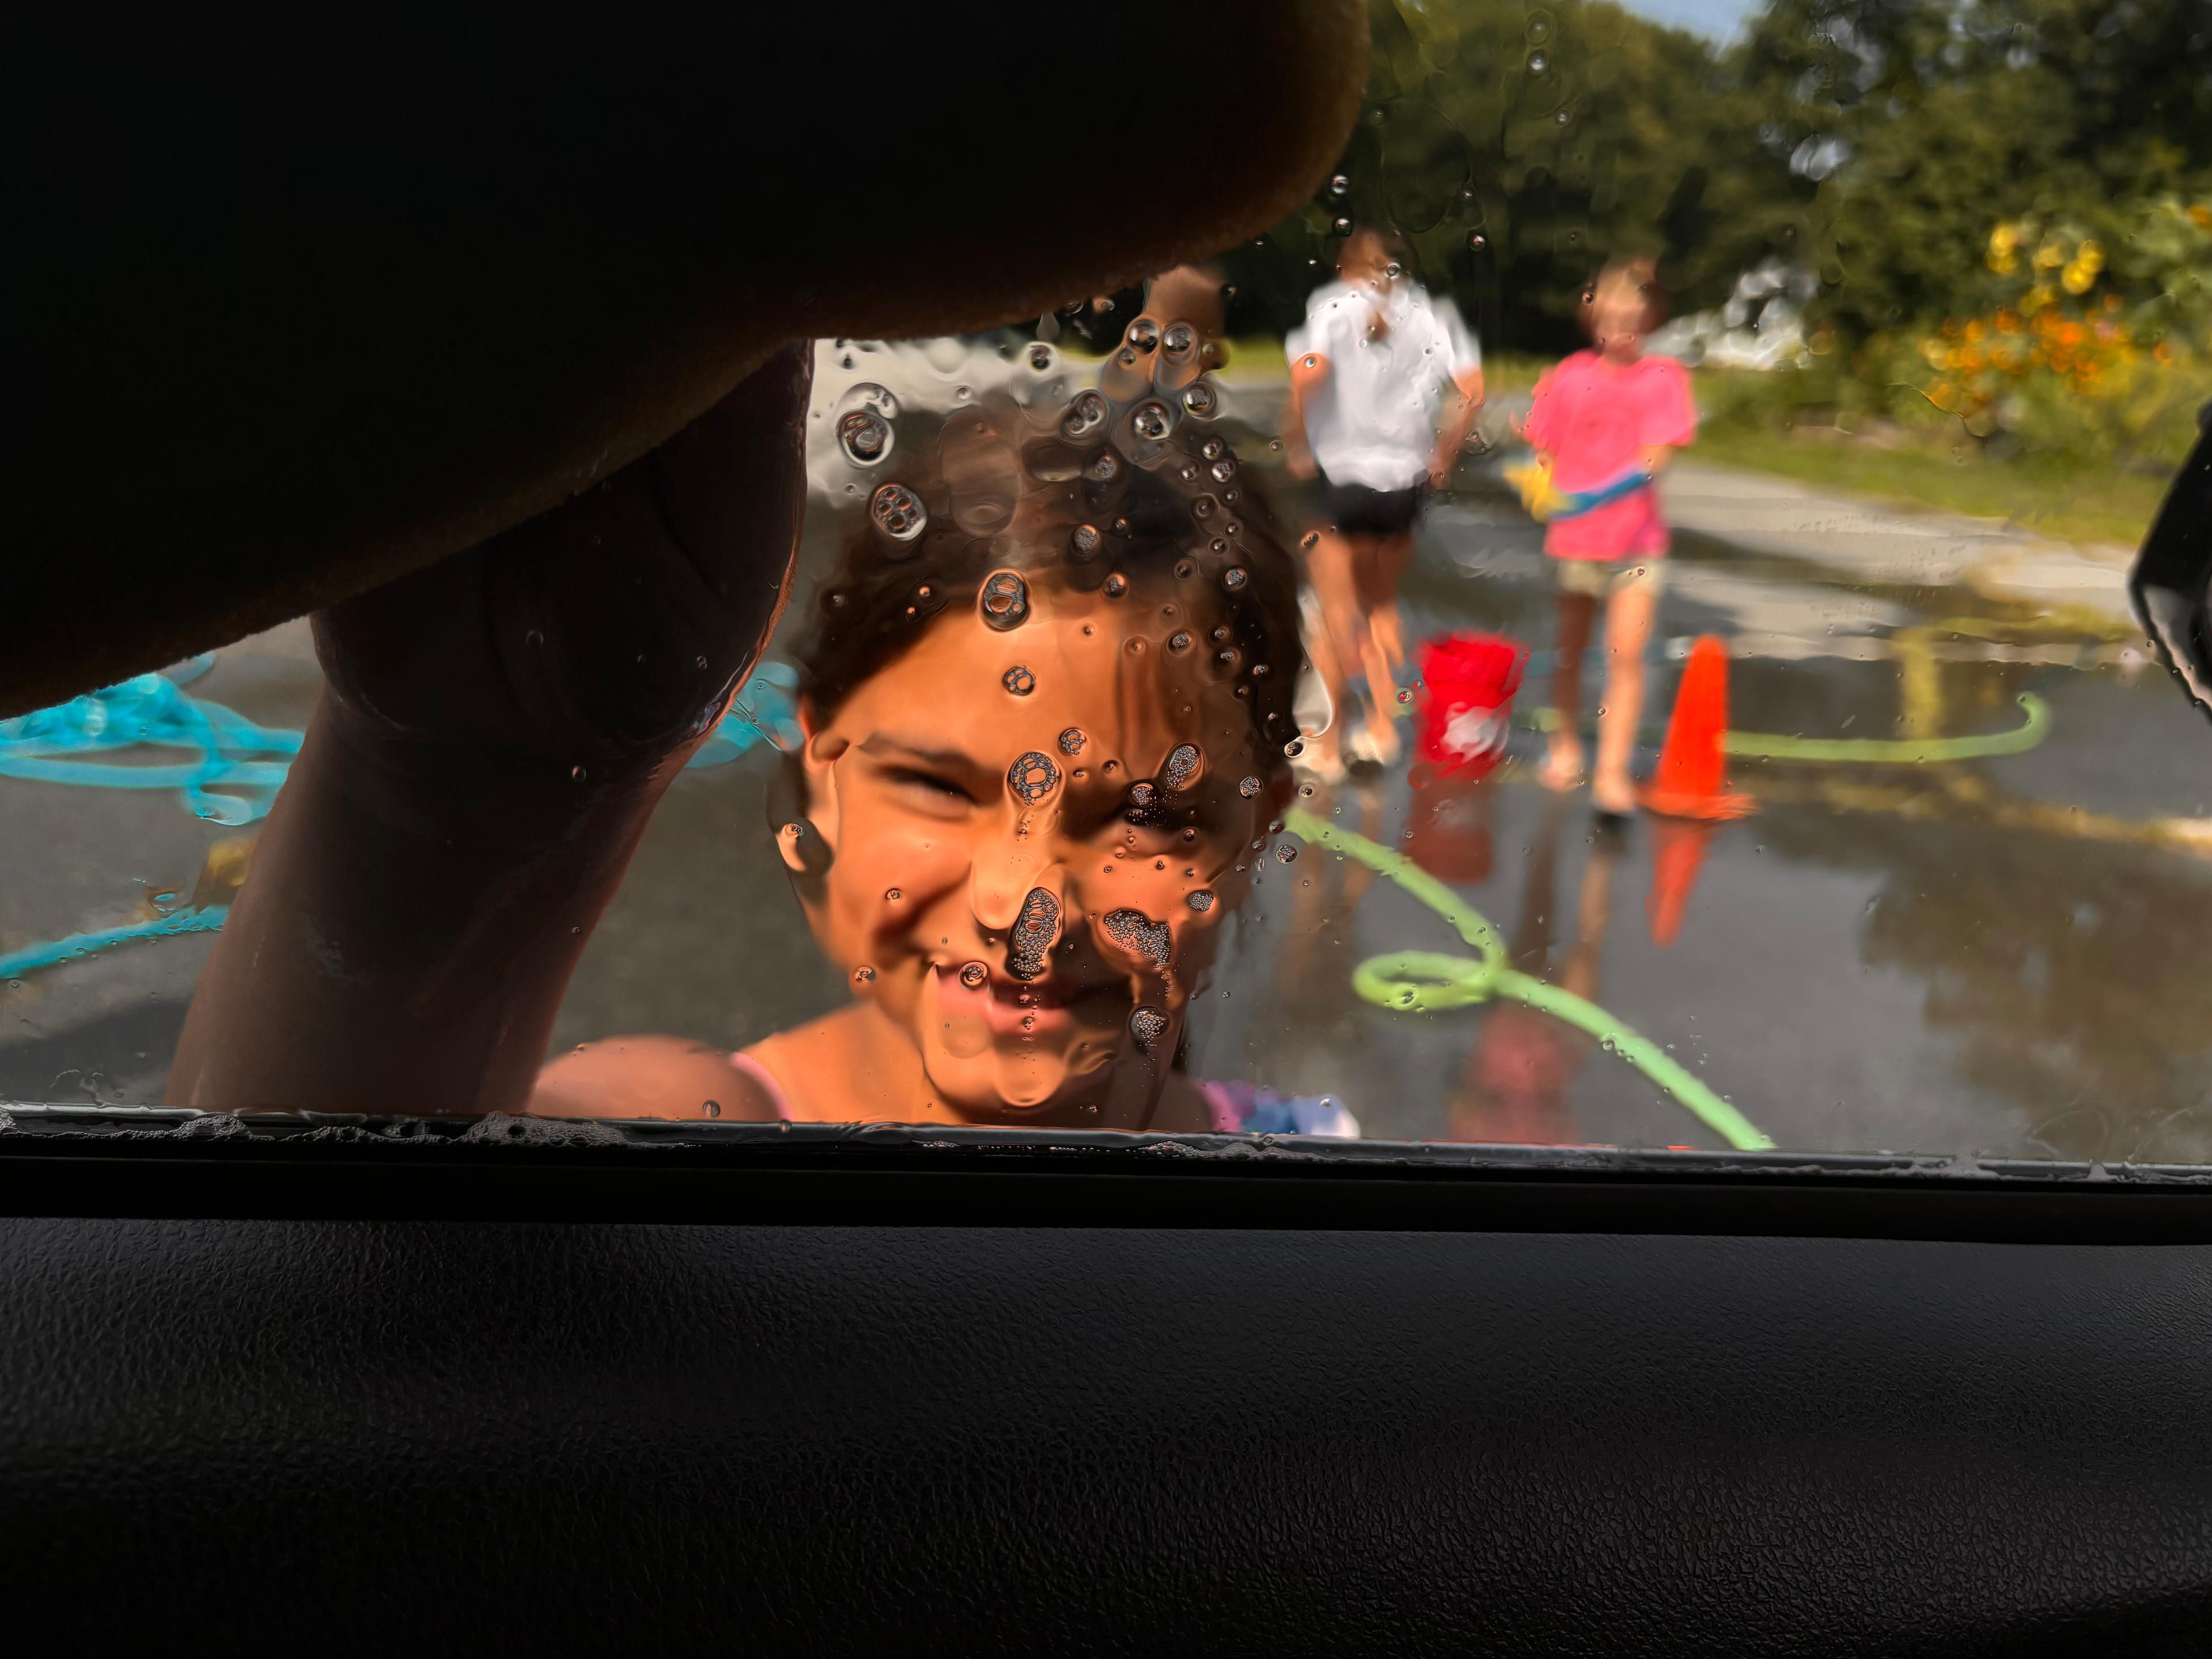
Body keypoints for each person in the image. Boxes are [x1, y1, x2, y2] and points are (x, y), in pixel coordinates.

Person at [533, 294, 1358, 1135]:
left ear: (1257, 830)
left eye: (1145, 815)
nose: (1022, 908)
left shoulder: (1331, 1172)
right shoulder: (678, 1134)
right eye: (939, 788)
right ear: (820, 768)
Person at [1282, 227, 1484, 774]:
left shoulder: (1332, 305)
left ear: (1345, 266)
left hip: (1341, 478)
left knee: (1334, 613)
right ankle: (1381, 730)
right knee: (1381, 607)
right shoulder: (1431, 313)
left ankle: (1326, 745)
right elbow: (1473, 392)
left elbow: (1309, 373)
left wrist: (1297, 441)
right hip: (1404, 485)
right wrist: (1443, 452)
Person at [1520, 256, 1698, 817]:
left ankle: (1613, 772)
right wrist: (1542, 484)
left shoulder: (1665, 376)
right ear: (1591, 316)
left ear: (1650, 318)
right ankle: (1565, 746)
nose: (1621, 326)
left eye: (1632, 316)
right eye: (1610, 315)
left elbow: (1658, 454)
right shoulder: (1568, 375)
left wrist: (1602, 491)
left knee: (1627, 657)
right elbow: (1542, 448)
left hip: (1637, 543)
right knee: (1570, 651)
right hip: (1574, 539)